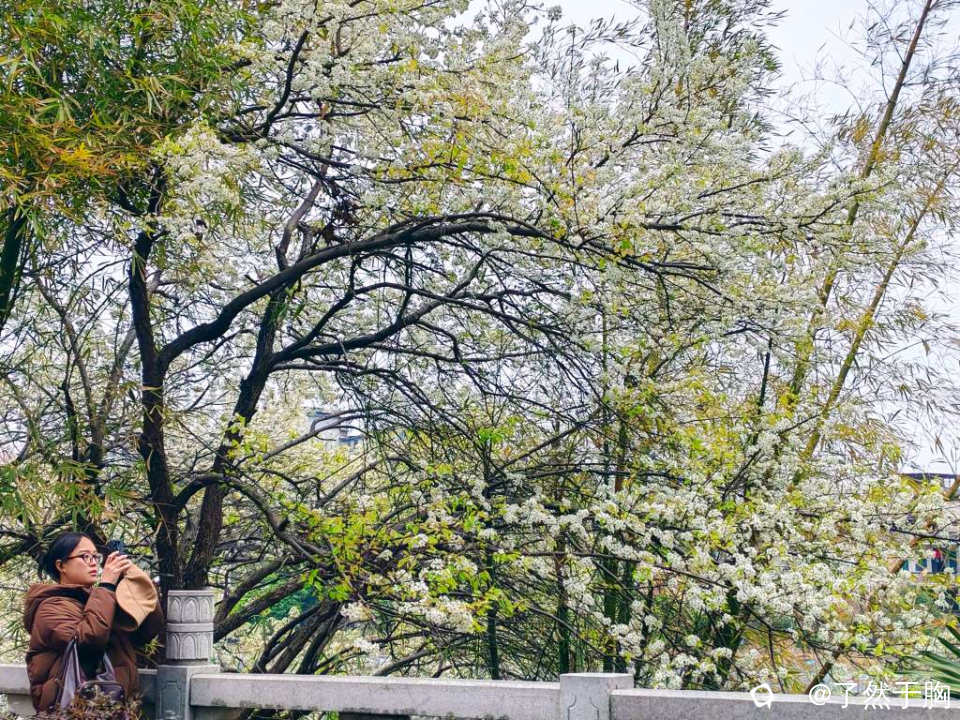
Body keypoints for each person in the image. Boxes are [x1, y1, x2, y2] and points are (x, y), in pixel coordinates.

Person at [23, 532, 164, 711]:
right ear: (61, 565)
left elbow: (145, 633)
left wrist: (135, 584)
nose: (93, 563)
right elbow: (88, 641)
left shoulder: (100, 601)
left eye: (96, 557)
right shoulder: (50, 607)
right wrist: (106, 586)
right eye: (85, 556)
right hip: (73, 710)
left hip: (111, 707)